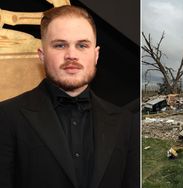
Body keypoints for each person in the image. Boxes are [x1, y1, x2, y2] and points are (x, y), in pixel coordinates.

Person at [0, 5, 139, 188]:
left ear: (96, 55)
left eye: (82, 45)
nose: (71, 55)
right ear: (42, 55)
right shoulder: (6, 116)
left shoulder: (126, 123)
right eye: (60, 45)